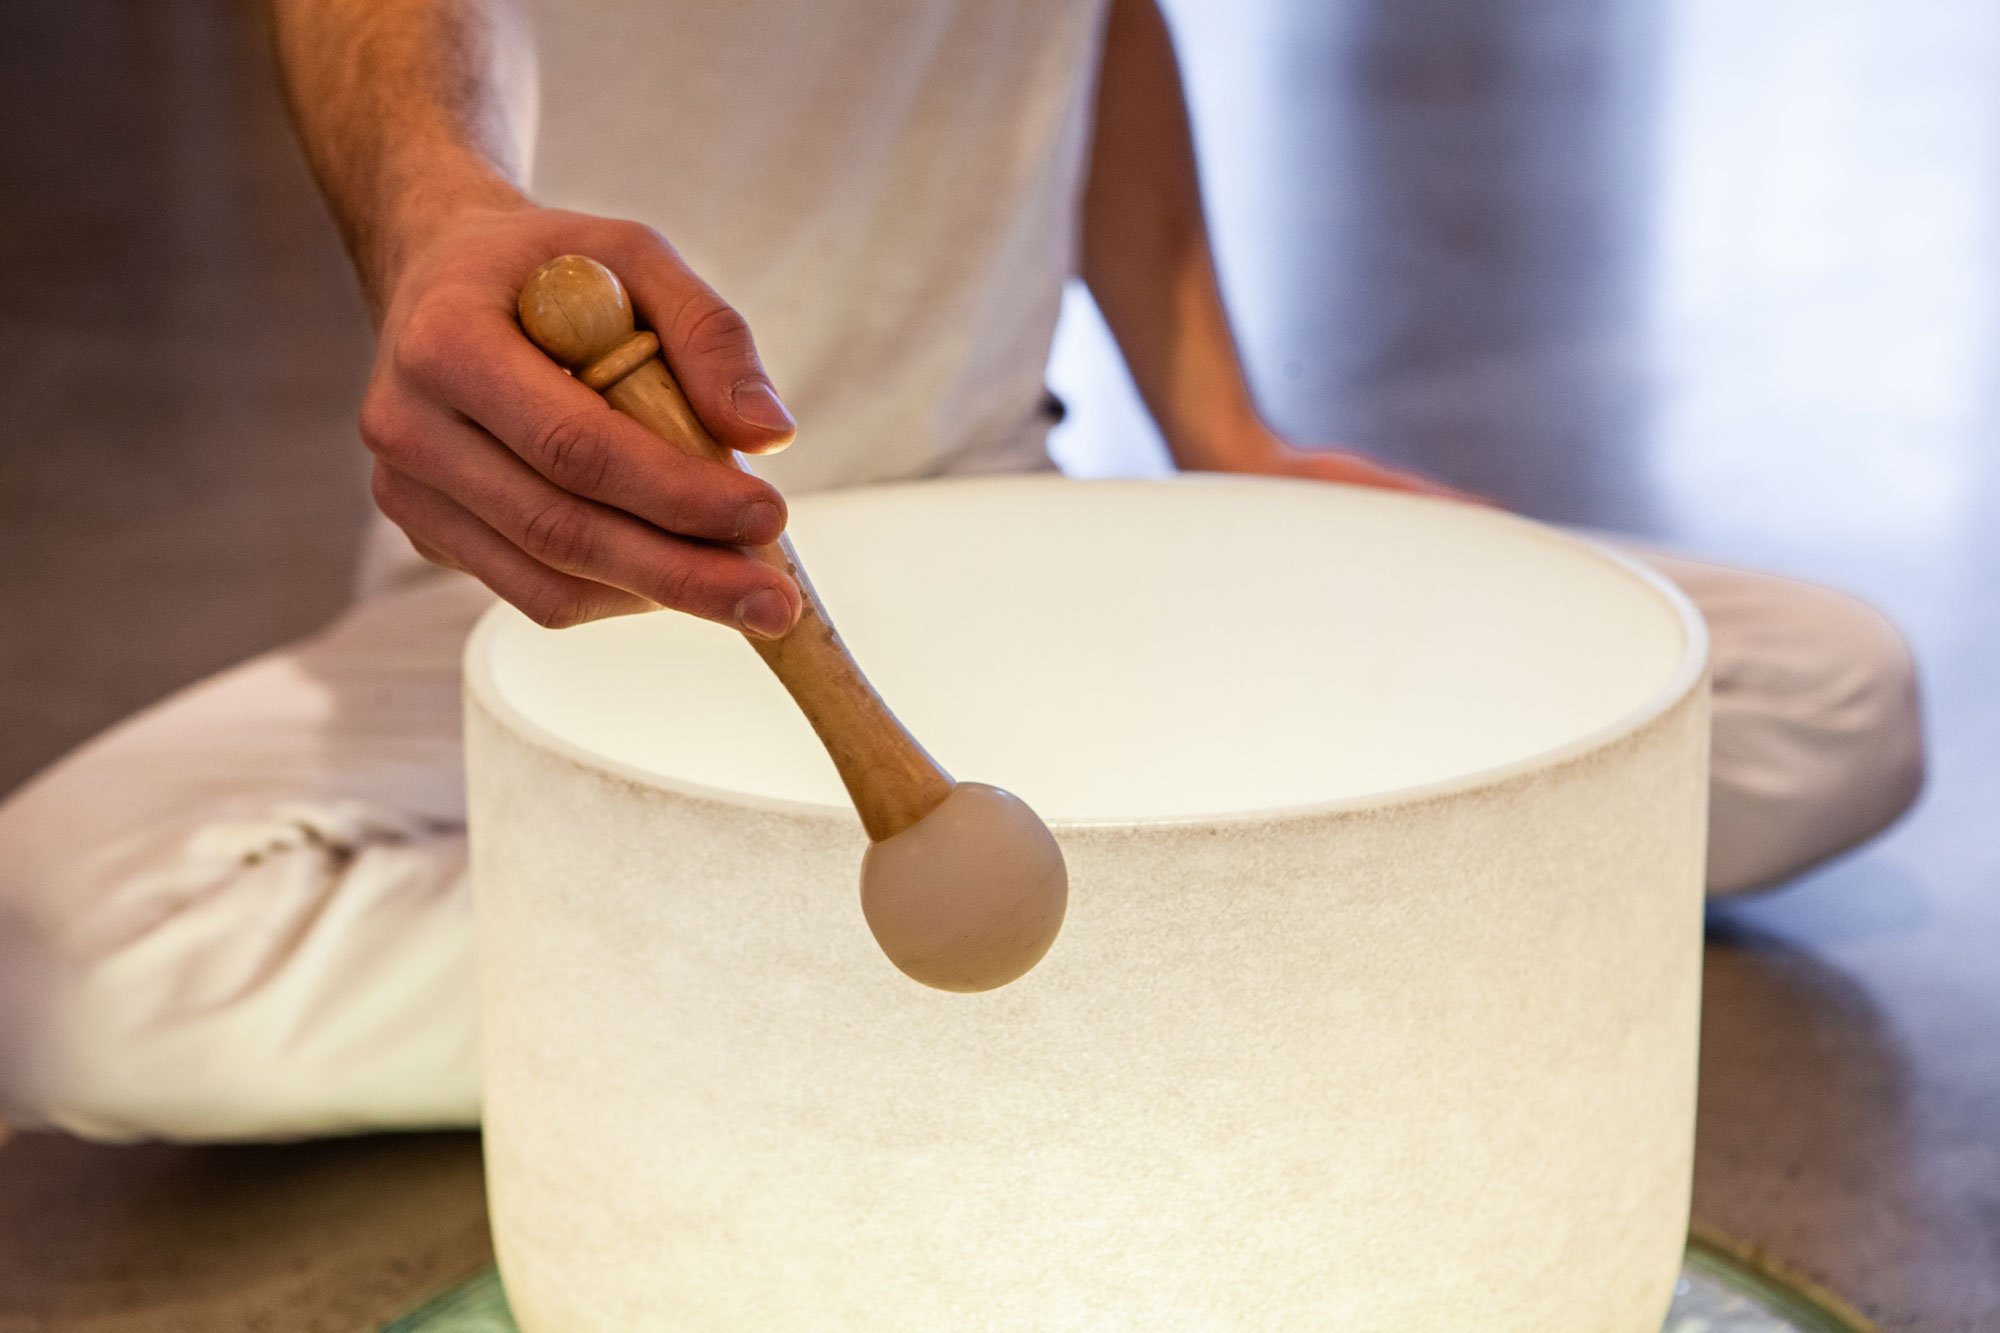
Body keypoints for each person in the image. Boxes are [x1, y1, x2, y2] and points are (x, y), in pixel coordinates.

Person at [0, 0, 1923, 1142]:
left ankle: (962, 950)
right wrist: (441, 202)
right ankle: (1178, 953)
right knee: (58, 962)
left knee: (1826, 699)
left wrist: (1223, 430)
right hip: (587, 572)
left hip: (1021, 521)